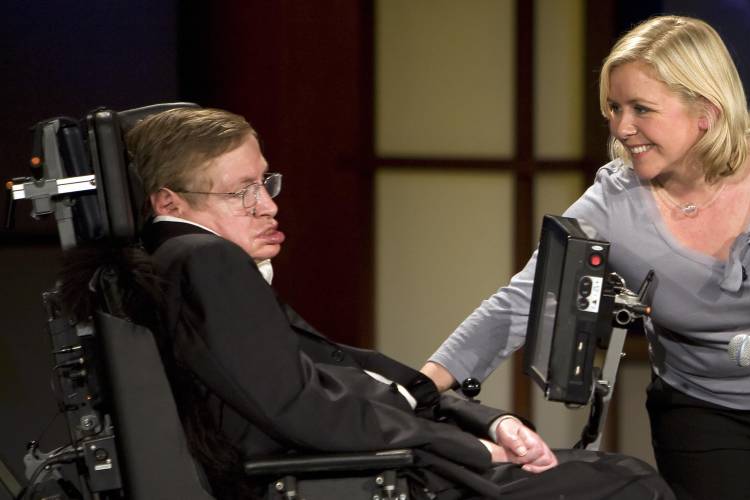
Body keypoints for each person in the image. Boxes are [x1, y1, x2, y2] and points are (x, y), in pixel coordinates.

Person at [422, 15, 750, 500]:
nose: (622, 128)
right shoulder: (610, 206)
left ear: (705, 114)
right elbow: (522, 301)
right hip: (704, 406)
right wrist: (418, 389)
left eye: (641, 109)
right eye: (614, 109)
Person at [125, 107, 674, 500]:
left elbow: (341, 371)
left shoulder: (181, 263)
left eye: (264, 182)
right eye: (240, 191)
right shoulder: (203, 261)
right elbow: (305, 410)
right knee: (628, 481)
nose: (267, 205)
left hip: (365, 455)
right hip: (347, 474)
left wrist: (484, 421)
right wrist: (472, 450)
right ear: (169, 202)